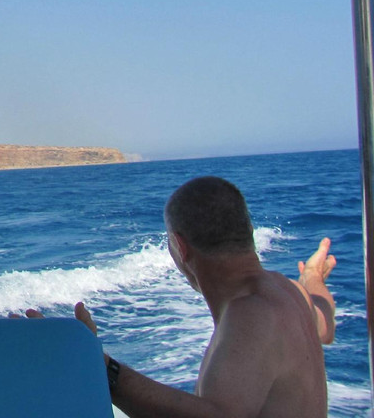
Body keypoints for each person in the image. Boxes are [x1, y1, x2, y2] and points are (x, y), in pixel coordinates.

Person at [24, 176, 336, 418]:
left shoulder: (250, 313)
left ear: (180, 247)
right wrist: (312, 278)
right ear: (247, 230)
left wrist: (101, 368)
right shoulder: (292, 293)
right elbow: (325, 322)